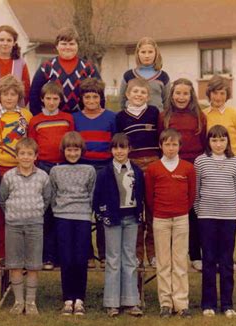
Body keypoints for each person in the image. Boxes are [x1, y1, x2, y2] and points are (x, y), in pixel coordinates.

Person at [0, 74, 33, 265]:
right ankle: (3, 255)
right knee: (0, 216)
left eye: (13, 94)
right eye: (5, 94)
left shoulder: (26, 116)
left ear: (19, 96)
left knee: (20, 213)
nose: (9, 98)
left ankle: (22, 255)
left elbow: (31, 142)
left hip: (21, 170)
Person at [145, 128, 196, 319]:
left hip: (181, 218)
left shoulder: (187, 168)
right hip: (160, 218)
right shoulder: (153, 168)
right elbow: (149, 197)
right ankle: (165, 303)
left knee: (180, 261)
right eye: (167, 144)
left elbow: (191, 196)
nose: (171, 148)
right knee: (164, 262)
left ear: (180, 146)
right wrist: (160, 211)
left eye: (174, 144)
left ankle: (181, 303)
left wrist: (181, 210)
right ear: (161, 145)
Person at [157, 78, 207, 271]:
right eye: (178, 93)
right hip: (172, 166)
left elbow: (203, 143)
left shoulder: (199, 116)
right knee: (174, 212)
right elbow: (160, 142)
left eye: (185, 93)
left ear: (191, 95)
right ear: (172, 95)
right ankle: (171, 256)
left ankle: (195, 254)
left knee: (193, 212)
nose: (181, 97)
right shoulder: (164, 117)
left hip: (193, 168)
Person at [93, 133, 144, 317]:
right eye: (115, 148)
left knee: (129, 258)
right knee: (113, 259)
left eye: (123, 147)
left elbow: (141, 195)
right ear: (111, 150)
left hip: (131, 218)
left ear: (129, 149)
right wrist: (102, 214)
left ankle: (131, 301)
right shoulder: (105, 172)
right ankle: (112, 302)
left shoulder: (136, 171)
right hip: (112, 219)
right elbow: (97, 197)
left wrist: (139, 214)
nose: (119, 151)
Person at [0, 138, 51, 315]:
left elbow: (46, 200)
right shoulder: (9, 176)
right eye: (22, 153)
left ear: (36, 156)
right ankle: (18, 301)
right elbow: (2, 200)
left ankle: (30, 302)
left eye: (30, 154)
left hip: (35, 225)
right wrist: (14, 214)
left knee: (33, 265)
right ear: (16, 156)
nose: (26, 157)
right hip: (13, 225)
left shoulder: (43, 176)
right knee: (14, 264)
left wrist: (34, 213)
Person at [194, 125, 236, 318]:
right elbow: (196, 192)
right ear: (208, 142)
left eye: (222, 140)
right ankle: (208, 304)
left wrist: (229, 207)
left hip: (228, 218)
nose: (218, 144)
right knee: (209, 260)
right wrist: (201, 211)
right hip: (206, 217)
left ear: (227, 142)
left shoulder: (235, 162)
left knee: (226, 261)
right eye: (214, 140)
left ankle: (227, 304)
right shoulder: (200, 161)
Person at [28, 82, 74, 269]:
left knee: (62, 211)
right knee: (45, 212)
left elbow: (72, 142)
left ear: (61, 100)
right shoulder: (35, 120)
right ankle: (47, 256)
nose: (52, 102)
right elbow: (32, 146)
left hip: (63, 167)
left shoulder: (67, 119)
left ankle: (63, 255)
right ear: (42, 99)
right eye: (48, 98)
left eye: (56, 99)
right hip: (43, 168)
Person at [49, 132, 96, 316]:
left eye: (76, 150)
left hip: (83, 217)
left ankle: (79, 300)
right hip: (62, 217)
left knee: (80, 259)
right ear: (64, 150)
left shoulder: (89, 170)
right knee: (66, 258)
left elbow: (92, 193)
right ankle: (68, 299)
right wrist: (59, 211)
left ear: (81, 150)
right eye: (69, 150)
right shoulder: (56, 170)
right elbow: (52, 195)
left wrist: (86, 212)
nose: (73, 153)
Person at [72, 77, 116, 268]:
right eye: (87, 97)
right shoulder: (75, 118)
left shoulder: (111, 117)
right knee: (84, 213)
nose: (91, 101)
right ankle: (87, 255)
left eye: (95, 97)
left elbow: (115, 144)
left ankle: (105, 254)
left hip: (105, 168)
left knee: (102, 213)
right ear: (82, 99)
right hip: (82, 169)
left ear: (101, 98)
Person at [116, 77, 159, 268]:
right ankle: (136, 254)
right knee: (134, 211)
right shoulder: (121, 117)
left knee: (152, 210)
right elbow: (119, 143)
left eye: (143, 92)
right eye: (135, 92)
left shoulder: (153, 112)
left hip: (152, 163)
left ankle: (153, 253)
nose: (139, 95)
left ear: (148, 96)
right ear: (127, 94)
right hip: (131, 164)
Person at [29, 27, 102, 115]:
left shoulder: (88, 67)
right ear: (57, 46)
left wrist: (98, 115)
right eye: (64, 44)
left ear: (77, 46)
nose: (68, 47)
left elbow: (100, 93)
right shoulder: (46, 67)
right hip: (53, 117)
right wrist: (38, 116)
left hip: (81, 118)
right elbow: (34, 94)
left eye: (71, 44)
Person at [203, 75, 236, 207]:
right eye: (215, 93)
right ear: (209, 93)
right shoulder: (203, 115)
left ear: (227, 95)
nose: (218, 97)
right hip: (212, 164)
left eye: (222, 93)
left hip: (234, 163)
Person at [119, 36, 170, 112]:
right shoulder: (128, 75)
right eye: (143, 52)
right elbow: (122, 100)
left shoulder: (163, 76)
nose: (147, 56)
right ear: (138, 54)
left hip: (155, 119)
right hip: (132, 120)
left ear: (156, 53)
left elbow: (167, 103)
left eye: (150, 52)